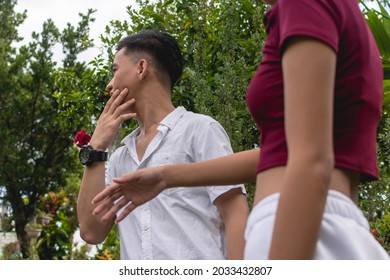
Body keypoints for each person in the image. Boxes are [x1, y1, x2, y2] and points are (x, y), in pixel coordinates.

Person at [91, 0, 390, 259]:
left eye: (114, 70)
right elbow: (283, 153)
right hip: (318, 224)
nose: (109, 84)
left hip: (304, 224)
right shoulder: (325, 13)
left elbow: (312, 159)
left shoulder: (304, 6)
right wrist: (165, 176)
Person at [77, 29, 249, 260]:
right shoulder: (120, 157)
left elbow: (235, 214)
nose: (109, 85)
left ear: (141, 68)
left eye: (115, 71)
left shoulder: (200, 131)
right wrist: (96, 148)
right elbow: (91, 232)